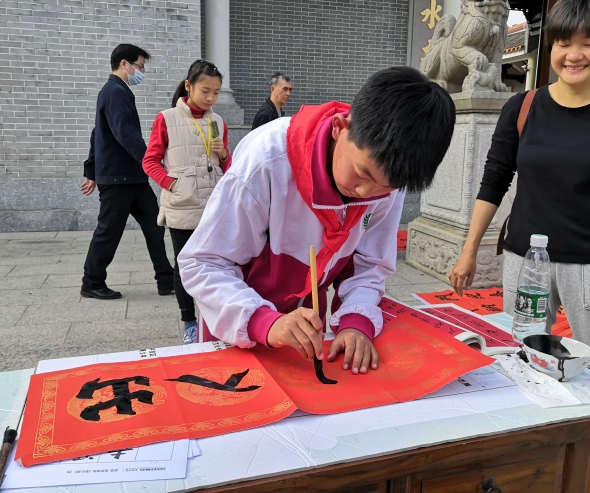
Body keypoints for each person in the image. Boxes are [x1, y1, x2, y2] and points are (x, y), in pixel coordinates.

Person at [448, 0, 590, 491]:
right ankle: (536, 463)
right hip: (526, 260)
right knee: (525, 359)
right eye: (563, 42)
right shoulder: (523, 106)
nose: (573, 54)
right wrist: (470, 249)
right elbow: (494, 181)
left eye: (589, 42)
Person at [179, 66, 455, 374]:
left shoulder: (389, 180)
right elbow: (204, 263)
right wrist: (263, 321)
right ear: (340, 128)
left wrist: (356, 321)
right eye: (361, 173)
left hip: (307, 329)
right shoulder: (267, 160)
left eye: (386, 187)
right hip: (238, 321)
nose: (366, 194)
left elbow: (370, 265)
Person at [143, 59, 231, 344]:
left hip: (213, 207)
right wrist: (173, 184)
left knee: (216, 265)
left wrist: (224, 154)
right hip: (182, 205)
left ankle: (213, 319)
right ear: (188, 86)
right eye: (205, 91)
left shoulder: (218, 122)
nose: (211, 98)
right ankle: (189, 323)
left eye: (216, 92)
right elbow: (150, 161)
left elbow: (226, 167)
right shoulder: (167, 118)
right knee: (184, 265)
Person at [80, 43, 174, 300]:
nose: (141, 71)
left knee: (155, 225)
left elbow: (97, 133)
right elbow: (126, 134)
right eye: (140, 66)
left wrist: (91, 170)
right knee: (109, 232)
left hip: (132, 178)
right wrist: (151, 161)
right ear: (124, 63)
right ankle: (92, 282)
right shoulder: (115, 92)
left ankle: (166, 279)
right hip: (118, 178)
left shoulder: (115, 91)